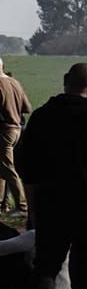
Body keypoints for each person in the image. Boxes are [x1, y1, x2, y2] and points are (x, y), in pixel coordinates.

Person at [16, 62, 87, 289]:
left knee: (47, 265)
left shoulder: (41, 116)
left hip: (51, 202)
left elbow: (25, 167)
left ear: (65, 81)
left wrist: (32, 208)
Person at [0, 57, 31, 216]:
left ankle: (22, 206)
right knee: (3, 167)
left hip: (4, 130)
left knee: (8, 168)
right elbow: (27, 107)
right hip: (17, 129)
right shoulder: (15, 82)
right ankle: (2, 204)